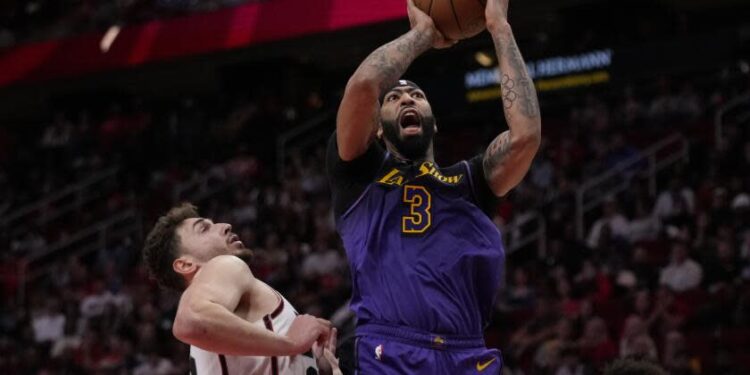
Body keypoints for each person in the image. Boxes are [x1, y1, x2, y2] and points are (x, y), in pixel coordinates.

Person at [326, 0, 541, 372]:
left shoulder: (470, 181)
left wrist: (499, 26)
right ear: (377, 128)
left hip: (467, 353)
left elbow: (526, 137)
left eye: (417, 96)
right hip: (388, 350)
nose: (407, 97)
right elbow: (363, 86)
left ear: (434, 123)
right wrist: (422, 35)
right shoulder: (360, 173)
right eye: (394, 98)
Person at [142, 203, 341, 375]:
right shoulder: (225, 265)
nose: (225, 225)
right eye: (204, 229)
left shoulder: (219, 320)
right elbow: (189, 321)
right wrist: (292, 344)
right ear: (186, 265)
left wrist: (312, 361)